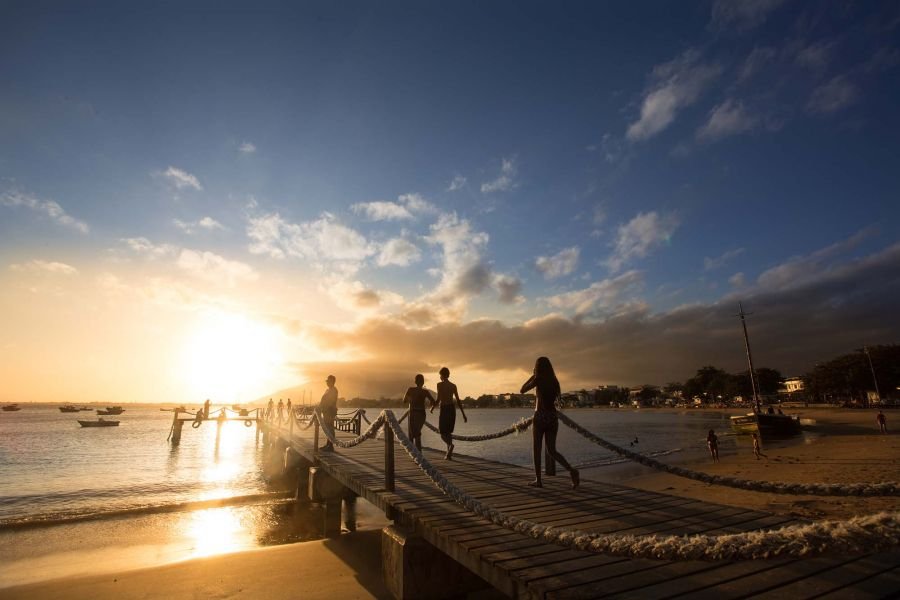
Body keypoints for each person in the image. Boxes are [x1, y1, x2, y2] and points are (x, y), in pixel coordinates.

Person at [520, 357, 579, 489]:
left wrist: (532, 376)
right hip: (552, 417)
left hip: (540, 416)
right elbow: (558, 401)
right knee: (552, 450)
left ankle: (538, 480)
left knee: (537, 449)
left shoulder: (538, 379)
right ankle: (571, 470)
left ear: (537, 368)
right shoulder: (554, 381)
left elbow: (522, 390)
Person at [430, 367, 467, 459]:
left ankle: (450, 446)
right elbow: (458, 401)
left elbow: (438, 399)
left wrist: (432, 408)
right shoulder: (453, 386)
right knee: (448, 432)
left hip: (444, 409)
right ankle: (448, 454)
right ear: (448, 375)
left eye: (440, 375)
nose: (439, 377)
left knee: (442, 433)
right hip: (451, 409)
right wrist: (463, 414)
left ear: (442, 375)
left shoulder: (439, 385)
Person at [403, 374, 436, 451]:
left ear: (415, 381)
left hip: (413, 413)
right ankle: (418, 453)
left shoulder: (410, 389)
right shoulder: (425, 392)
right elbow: (434, 402)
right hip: (421, 414)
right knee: (417, 433)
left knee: (412, 434)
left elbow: (404, 401)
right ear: (423, 382)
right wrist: (430, 407)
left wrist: (411, 400)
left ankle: (415, 454)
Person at [318, 375, 338, 451]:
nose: (327, 383)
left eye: (328, 381)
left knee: (330, 428)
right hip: (325, 412)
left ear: (332, 382)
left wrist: (325, 408)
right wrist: (320, 407)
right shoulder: (328, 390)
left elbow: (331, 402)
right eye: (327, 381)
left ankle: (330, 446)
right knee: (327, 428)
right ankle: (328, 444)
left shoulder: (334, 390)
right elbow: (323, 401)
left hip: (330, 412)